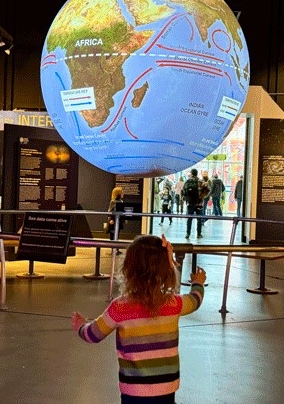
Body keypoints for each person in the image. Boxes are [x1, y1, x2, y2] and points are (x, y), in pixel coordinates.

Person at [72, 234, 206, 403]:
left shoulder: (120, 308)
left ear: (128, 269)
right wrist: (198, 283)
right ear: (166, 268)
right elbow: (195, 300)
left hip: (134, 393)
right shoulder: (174, 304)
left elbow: (93, 335)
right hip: (166, 389)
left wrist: (81, 326)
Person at [182, 169, 205, 239]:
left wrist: (186, 198)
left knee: (189, 218)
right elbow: (207, 190)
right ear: (197, 174)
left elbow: (183, 191)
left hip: (190, 202)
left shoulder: (188, 181)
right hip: (199, 202)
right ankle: (198, 234)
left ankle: (188, 233)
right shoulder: (200, 182)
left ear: (191, 174)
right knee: (199, 219)